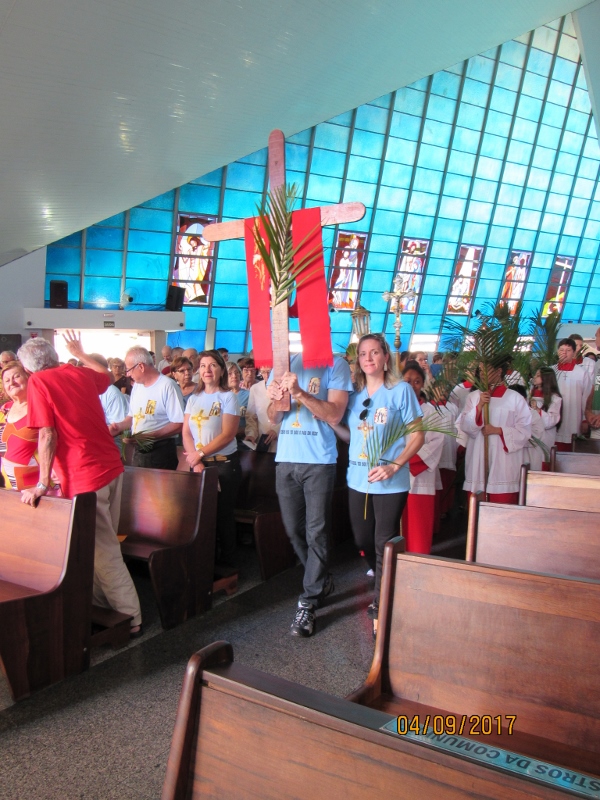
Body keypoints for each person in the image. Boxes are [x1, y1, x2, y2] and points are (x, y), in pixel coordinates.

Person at [18, 334, 142, 637]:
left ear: (29, 369)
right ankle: (102, 607)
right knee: (98, 546)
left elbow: (47, 434)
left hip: (85, 474)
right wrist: (81, 353)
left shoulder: (39, 382)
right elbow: (105, 376)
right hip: (111, 467)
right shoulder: (77, 372)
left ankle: (131, 618)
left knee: (104, 551)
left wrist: (42, 483)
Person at [331, 335, 423, 636]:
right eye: (363, 354)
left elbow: (418, 436)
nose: (368, 358)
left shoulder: (400, 391)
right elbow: (352, 437)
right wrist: (333, 423)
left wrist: (394, 465)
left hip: (391, 482)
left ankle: (380, 603)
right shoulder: (354, 395)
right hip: (358, 480)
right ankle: (387, 575)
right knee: (362, 539)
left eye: (374, 352)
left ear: (385, 357)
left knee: (384, 539)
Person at [267, 352, 352, 637]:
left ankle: (309, 601)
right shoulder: (285, 363)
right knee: (294, 531)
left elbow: (335, 414)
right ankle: (321, 578)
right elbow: (273, 418)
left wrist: (299, 392)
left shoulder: (336, 364)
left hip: (319, 461)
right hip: (286, 459)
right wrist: (276, 399)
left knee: (317, 531)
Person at [182, 350, 240, 567]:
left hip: (223, 465)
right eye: (203, 366)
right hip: (198, 465)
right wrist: (196, 461)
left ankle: (228, 565)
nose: (207, 370)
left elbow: (228, 434)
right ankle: (205, 562)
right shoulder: (193, 399)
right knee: (201, 516)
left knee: (222, 516)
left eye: (213, 365)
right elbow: (186, 433)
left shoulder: (228, 397)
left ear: (221, 370)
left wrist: (200, 454)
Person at [456, 360, 531, 504]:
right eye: (480, 370)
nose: (482, 374)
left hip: (503, 461)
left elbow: (524, 431)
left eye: (487, 369)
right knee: (478, 506)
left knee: (502, 507)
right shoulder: (474, 397)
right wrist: (479, 407)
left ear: (498, 371)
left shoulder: (515, 398)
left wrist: (498, 430)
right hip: (478, 457)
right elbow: (464, 426)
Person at [109, 346, 184, 469]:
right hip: (140, 450)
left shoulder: (167, 386)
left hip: (160, 451)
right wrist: (118, 427)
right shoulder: (137, 386)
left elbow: (179, 423)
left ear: (141, 366)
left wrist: (149, 436)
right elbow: (132, 417)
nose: (127, 374)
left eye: (129, 369)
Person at [402, 361, 445, 553]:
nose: (412, 386)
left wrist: (406, 460)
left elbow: (436, 442)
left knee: (417, 533)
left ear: (423, 384)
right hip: (394, 476)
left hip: (419, 477)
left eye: (417, 381)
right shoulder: (393, 409)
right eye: (407, 381)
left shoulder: (430, 412)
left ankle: (417, 563)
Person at [1, 360, 60, 493]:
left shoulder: (41, 406)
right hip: (11, 488)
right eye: (7, 380)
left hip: (41, 488)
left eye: (16, 376)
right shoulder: (4, 410)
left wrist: (57, 467)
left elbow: (57, 439)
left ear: (29, 378)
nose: (11, 382)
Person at [553, 338, 592, 451]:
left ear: (574, 353)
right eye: (561, 350)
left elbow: (586, 397)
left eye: (568, 350)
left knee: (571, 451)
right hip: (554, 420)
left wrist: (585, 419)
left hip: (574, 418)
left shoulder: (581, 373)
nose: (564, 353)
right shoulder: (551, 371)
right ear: (557, 352)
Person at [528, 368, 562, 470]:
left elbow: (550, 421)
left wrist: (537, 410)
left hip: (545, 438)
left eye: (538, 375)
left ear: (546, 378)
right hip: (530, 437)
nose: (534, 377)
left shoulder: (555, 399)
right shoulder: (529, 394)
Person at [245, 367, 280, 453]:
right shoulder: (255, 388)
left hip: (281, 441)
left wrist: (277, 430)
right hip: (261, 440)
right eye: (263, 372)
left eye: (269, 372)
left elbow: (290, 415)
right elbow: (251, 417)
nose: (267, 375)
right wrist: (251, 434)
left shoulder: (284, 387)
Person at [227, 362, 249, 444]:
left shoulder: (248, 395)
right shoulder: (220, 396)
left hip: (243, 439)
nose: (234, 376)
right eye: (230, 374)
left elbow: (254, 420)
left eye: (236, 373)